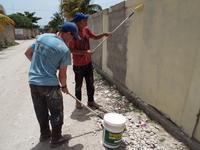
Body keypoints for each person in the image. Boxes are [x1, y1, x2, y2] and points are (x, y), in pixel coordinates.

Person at [25, 22, 78, 148]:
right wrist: (64, 86)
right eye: (72, 37)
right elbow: (62, 75)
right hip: (50, 85)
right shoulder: (65, 50)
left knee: (40, 110)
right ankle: (56, 138)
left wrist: (39, 66)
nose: (72, 40)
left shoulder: (43, 37)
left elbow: (28, 53)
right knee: (56, 112)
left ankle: (44, 134)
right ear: (68, 33)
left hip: (33, 82)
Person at [69, 12, 111, 109]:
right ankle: (78, 103)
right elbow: (71, 50)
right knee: (78, 85)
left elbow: (94, 37)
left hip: (88, 63)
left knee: (90, 84)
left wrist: (104, 34)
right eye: (85, 20)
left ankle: (91, 102)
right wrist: (84, 52)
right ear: (79, 22)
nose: (87, 21)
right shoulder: (72, 33)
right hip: (78, 65)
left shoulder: (86, 29)